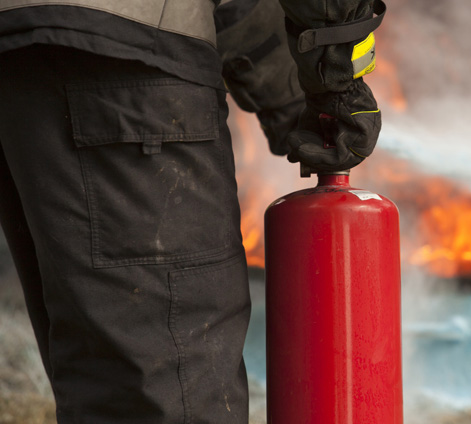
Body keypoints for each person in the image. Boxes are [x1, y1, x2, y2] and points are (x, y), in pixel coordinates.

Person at [0, 0, 384, 421]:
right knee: (174, 385)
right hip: (128, 68)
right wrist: (337, 81)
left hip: (25, 53)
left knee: (107, 376)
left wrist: (294, 102)